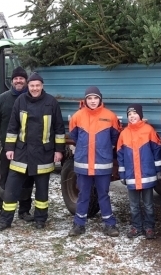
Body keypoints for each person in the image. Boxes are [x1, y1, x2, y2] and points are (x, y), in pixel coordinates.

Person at [0, 72, 65, 231]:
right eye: (32, 85)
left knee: (42, 191)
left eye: (37, 86)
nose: (34, 88)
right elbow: (13, 126)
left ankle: (40, 219)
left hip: (44, 154)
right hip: (21, 153)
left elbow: (59, 129)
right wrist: (9, 148)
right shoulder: (20, 101)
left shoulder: (51, 102)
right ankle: (5, 220)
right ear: (28, 86)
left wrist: (59, 150)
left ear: (42, 86)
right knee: (11, 188)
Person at [68, 86, 121, 237]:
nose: (92, 101)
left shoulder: (110, 116)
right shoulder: (77, 116)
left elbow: (114, 137)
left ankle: (109, 225)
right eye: (89, 98)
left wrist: (103, 150)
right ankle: (79, 224)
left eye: (95, 98)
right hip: (83, 164)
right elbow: (75, 136)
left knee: (103, 194)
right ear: (85, 100)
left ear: (100, 99)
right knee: (83, 194)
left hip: (102, 164)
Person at [0, 66, 34, 222]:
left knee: (27, 180)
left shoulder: (33, 98)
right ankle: (3, 207)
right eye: (16, 78)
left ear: (26, 81)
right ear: (12, 81)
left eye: (21, 78)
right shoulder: (3, 100)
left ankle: (24, 210)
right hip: (8, 148)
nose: (18, 81)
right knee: (5, 179)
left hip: (28, 149)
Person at [117, 104, 161, 239]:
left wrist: (158, 170)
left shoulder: (149, 130)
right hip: (131, 177)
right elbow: (120, 156)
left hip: (147, 176)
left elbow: (156, 152)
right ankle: (136, 227)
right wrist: (122, 174)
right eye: (129, 114)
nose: (132, 116)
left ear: (140, 115)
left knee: (148, 205)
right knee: (133, 206)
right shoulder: (124, 134)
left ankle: (149, 228)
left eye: (134, 113)